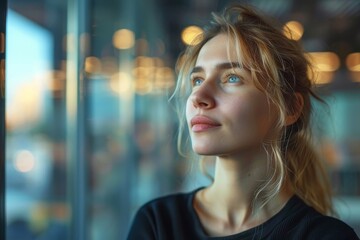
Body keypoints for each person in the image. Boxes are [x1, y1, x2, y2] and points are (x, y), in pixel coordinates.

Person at [127, 3, 359, 239]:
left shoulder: (326, 236)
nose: (198, 97)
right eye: (197, 80)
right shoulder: (158, 222)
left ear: (289, 107)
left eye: (232, 78)